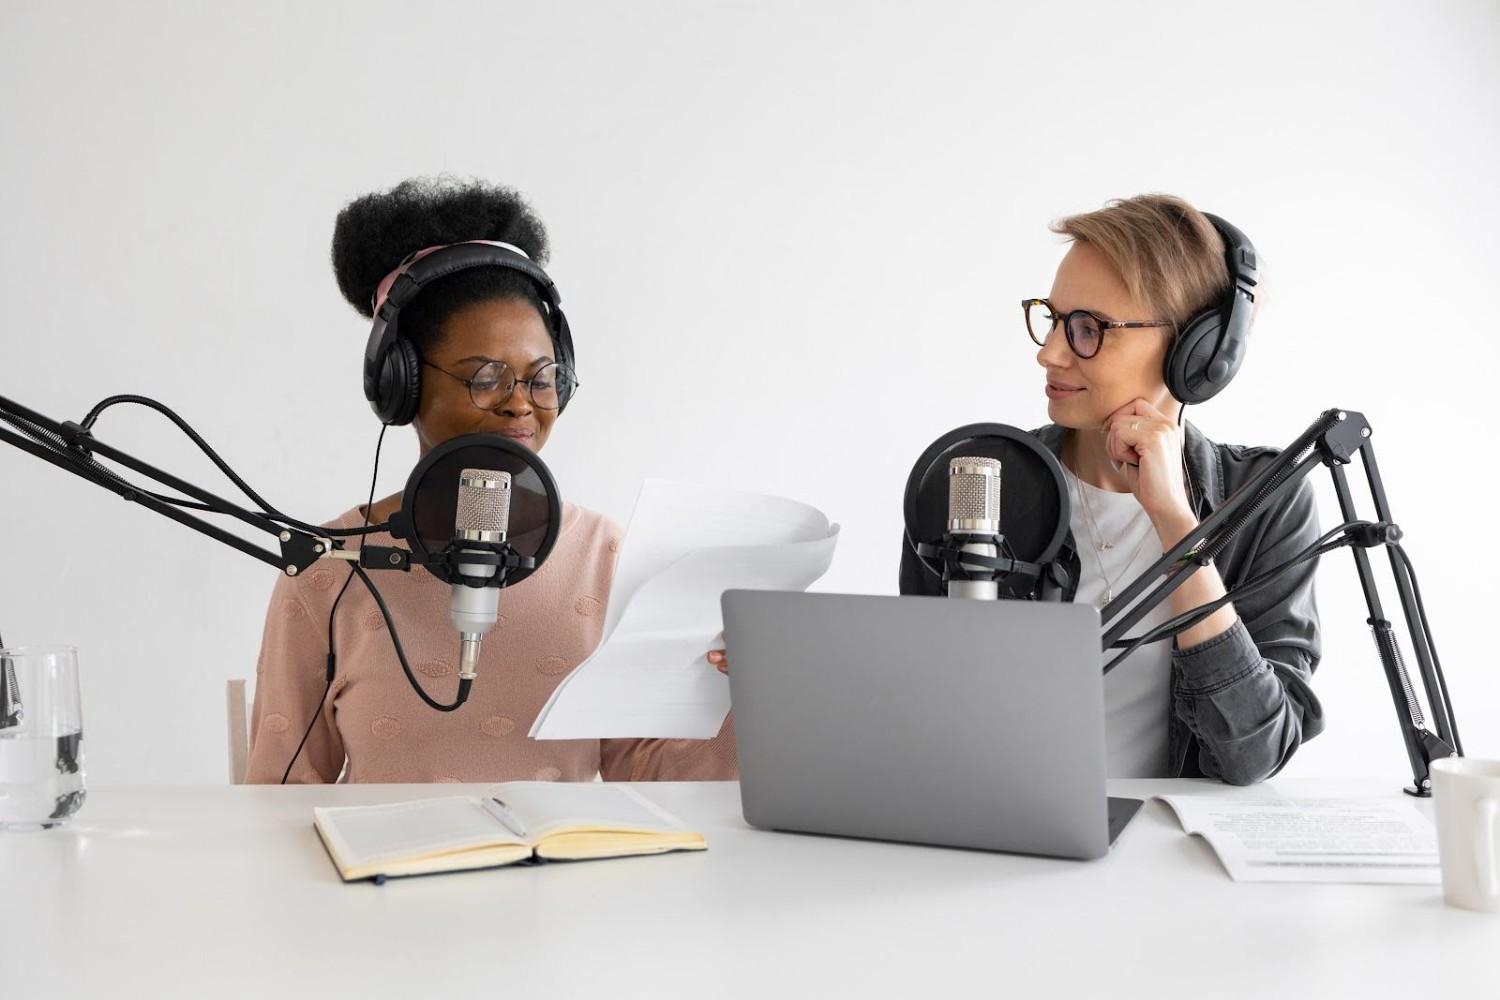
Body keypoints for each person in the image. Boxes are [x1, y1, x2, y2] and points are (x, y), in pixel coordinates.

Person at [245, 177, 736, 783]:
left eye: (541, 377)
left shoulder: (607, 558)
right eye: (486, 378)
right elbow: (276, 798)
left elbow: (653, 775)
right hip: (386, 876)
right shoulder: (329, 564)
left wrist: (744, 698)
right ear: (401, 385)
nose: (521, 405)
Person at [900, 194, 1323, 784]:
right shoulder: (976, 480)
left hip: (1166, 860)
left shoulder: (1263, 502)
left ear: (1194, 354)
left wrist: (1175, 520)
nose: (1048, 353)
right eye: (1052, 318)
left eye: (1087, 329)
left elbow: (1253, 753)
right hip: (995, 839)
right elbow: (920, 712)